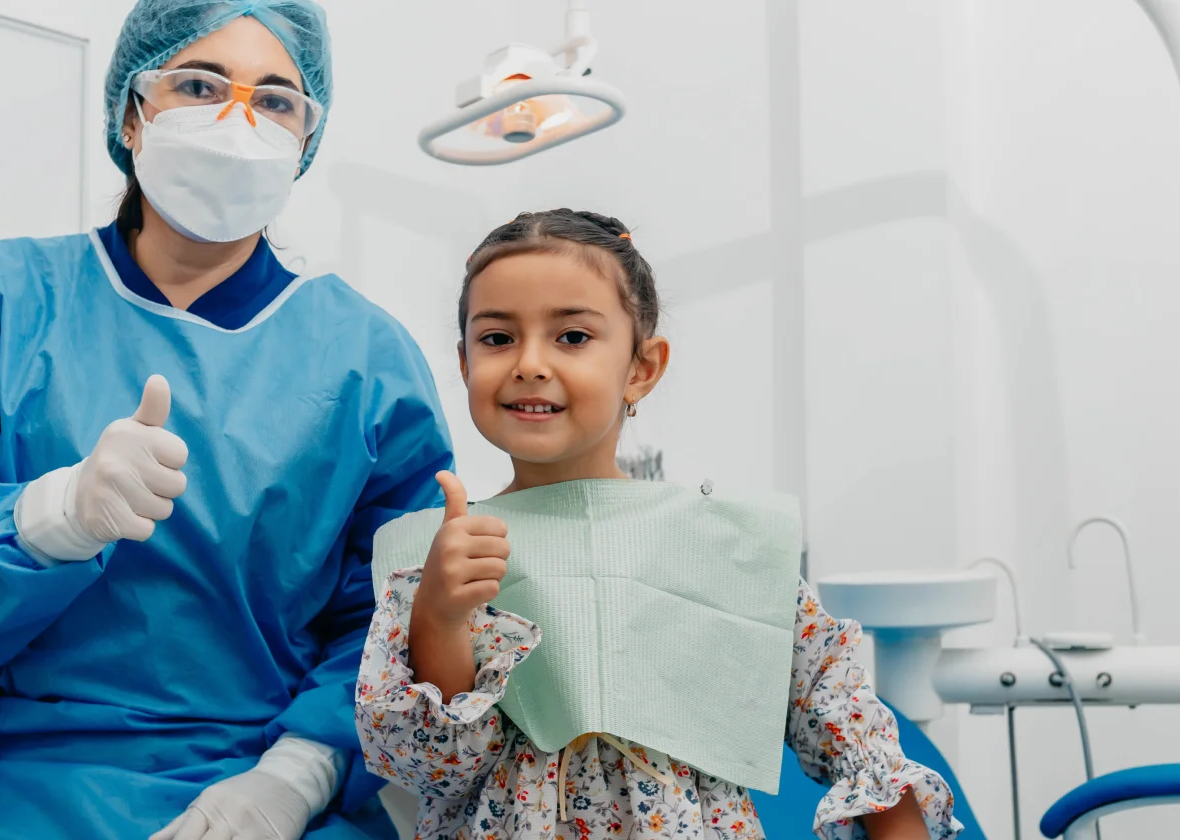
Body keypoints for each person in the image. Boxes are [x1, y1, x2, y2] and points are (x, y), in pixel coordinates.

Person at [0, 2, 450, 838]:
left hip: (261, 775)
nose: (237, 121)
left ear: (307, 139)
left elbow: (395, 619)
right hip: (7, 778)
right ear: (131, 111)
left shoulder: (368, 360)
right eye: (198, 85)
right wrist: (51, 517)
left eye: (275, 100)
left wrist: (297, 777)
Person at [354, 209, 961, 839]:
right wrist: (440, 616)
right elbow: (432, 765)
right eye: (498, 339)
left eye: (572, 337)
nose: (529, 362)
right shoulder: (439, 559)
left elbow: (842, 719)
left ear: (642, 368)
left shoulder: (724, 547)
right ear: (463, 363)